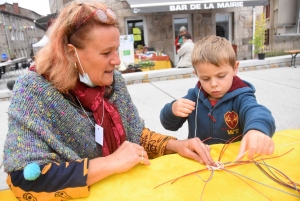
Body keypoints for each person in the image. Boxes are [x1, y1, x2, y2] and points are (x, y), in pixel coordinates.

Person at [3, 1, 214, 200]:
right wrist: (109, 163)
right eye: (106, 52)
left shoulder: (113, 83)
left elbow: (135, 137)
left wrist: (176, 145)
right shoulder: (34, 91)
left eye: (116, 49)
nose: (117, 60)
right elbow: (24, 178)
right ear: (71, 53)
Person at [161, 35, 276, 162]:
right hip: (200, 162)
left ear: (235, 68)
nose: (214, 84)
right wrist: (172, 110)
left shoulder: (242, 96)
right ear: (197, 74)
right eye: (205, 78)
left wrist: (256, 130)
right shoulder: (194, 96)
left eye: (221, 76)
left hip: (233, 162)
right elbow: (169, 125)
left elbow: (256, 111)